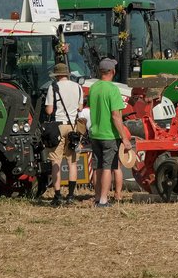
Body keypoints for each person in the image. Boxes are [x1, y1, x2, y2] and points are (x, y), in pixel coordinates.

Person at [86, 57, 130, 208]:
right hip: (109, 135)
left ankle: (98, 196)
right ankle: (104, 200)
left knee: (98, 168)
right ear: (112, 71)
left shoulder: (93, 88)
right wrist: (124, 138)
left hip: (95, 133)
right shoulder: (113, 89)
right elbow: (116, 116)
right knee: (107, 168)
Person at [42, 62, 82, 204]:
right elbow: (80, 108)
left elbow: (49, 111)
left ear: (56, 75)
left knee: (56, 162)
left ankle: (58, 195)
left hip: (58, 127)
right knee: (72, 162)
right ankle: (71, 195)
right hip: (73, 127)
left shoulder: (53, 87)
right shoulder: (78, 87)